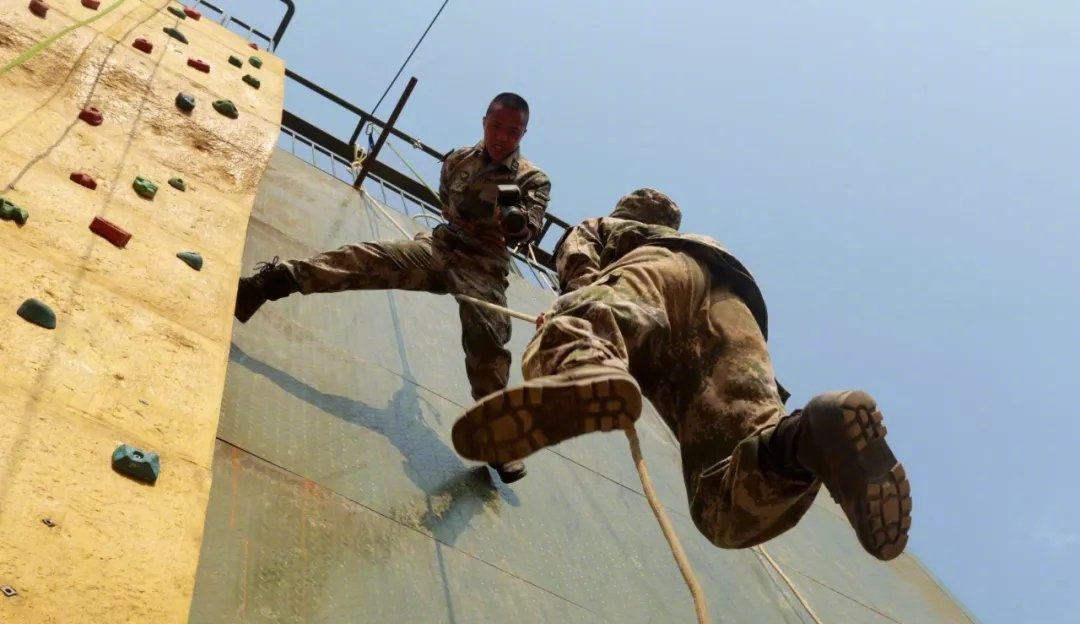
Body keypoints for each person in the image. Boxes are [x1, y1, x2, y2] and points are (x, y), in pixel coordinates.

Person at [450, 189, 912, 560]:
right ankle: (808, 438)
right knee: (723, 508)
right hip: (734, 309)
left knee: (582, 323)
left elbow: (578, 256)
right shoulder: (703, 244)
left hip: (662, 276)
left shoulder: (616, 228)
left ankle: (585, 370)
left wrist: (574, 299)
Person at [233, 92, 552, 484]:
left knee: (487, 337)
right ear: (484, 120)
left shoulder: (532, 178)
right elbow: (446, 203)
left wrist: (517, 226)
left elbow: (530, 225)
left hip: (483, 266)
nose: (502, 137)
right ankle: (271, 282)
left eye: (513, 131)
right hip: (439, 246)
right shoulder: (457, 161)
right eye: (496, 126)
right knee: (367, 258)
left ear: (524, 133)